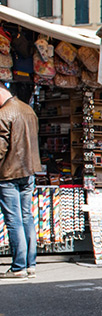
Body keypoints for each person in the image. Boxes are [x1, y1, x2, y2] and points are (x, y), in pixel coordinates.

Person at [0, 83, 40, 281]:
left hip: (9, 173)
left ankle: (18, 266)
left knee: (14, 220)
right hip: (28, 170)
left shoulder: (4, 114)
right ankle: (30, 264)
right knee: (26, 217)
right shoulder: (28, 110)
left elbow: (1, 147)